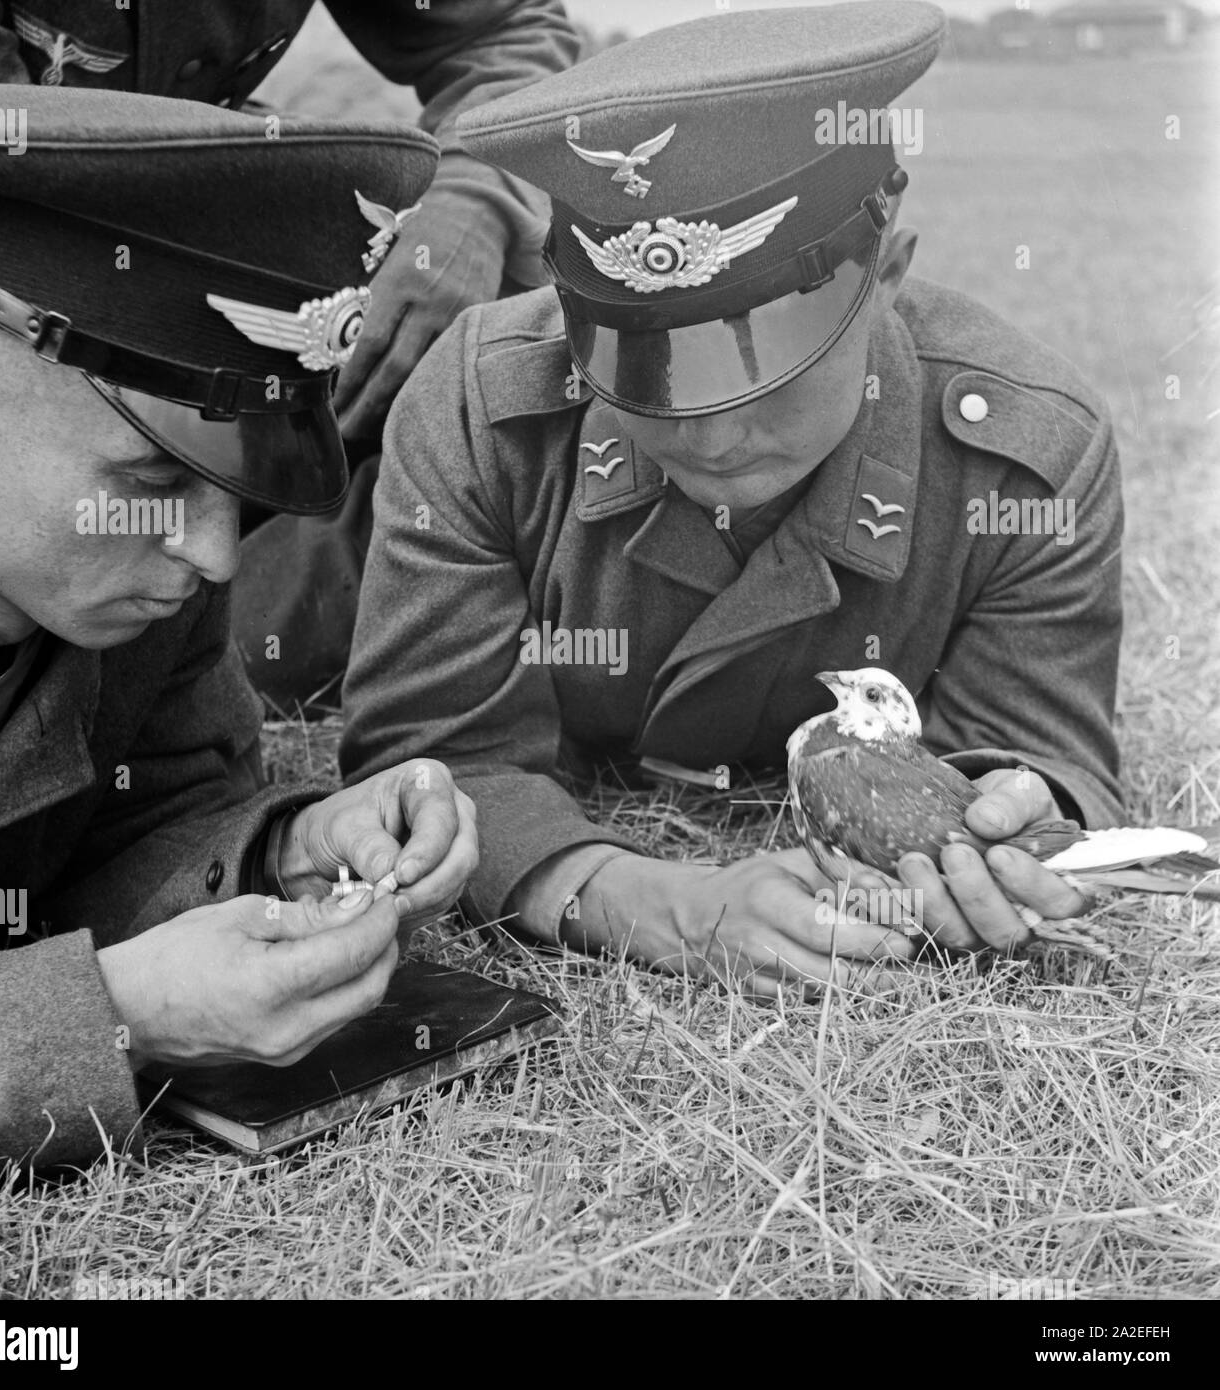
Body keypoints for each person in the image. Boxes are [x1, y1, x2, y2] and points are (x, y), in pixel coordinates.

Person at [339, 2, 1125, 994]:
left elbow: (1035, 754)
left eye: (766, 376)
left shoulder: (1027, 457)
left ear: (888, 267)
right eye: (648, 375)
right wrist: (655, 904)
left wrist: (1015, 819)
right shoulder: (477, 405)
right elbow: (431, 762)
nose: (707, 434)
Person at [0, 78, 477, 1177]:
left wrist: (283, 850)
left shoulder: (133, 576)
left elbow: (142, 811)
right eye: (149, 477)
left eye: (238, 491)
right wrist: (120, 1010)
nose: (217, 554)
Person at [0, 0, 581, 709]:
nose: (217, 555)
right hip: (24, 340)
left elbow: (502, 28)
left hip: (211, 337)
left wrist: (474, 192)